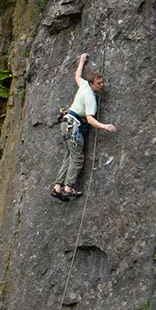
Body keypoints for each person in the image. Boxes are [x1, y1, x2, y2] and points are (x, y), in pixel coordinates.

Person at [52, 53, 116, 200]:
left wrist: (81, 61)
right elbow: (90, 119)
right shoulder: (90, 98)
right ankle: (68, 188)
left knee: (69, 156)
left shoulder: (84, 85)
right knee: (77, 158)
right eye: (99, 83)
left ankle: (57, 187)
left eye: (102, 82)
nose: (102, 85)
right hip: (74, 126)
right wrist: (105, 126)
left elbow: (77, 77)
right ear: (92, 83)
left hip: (66, 123)